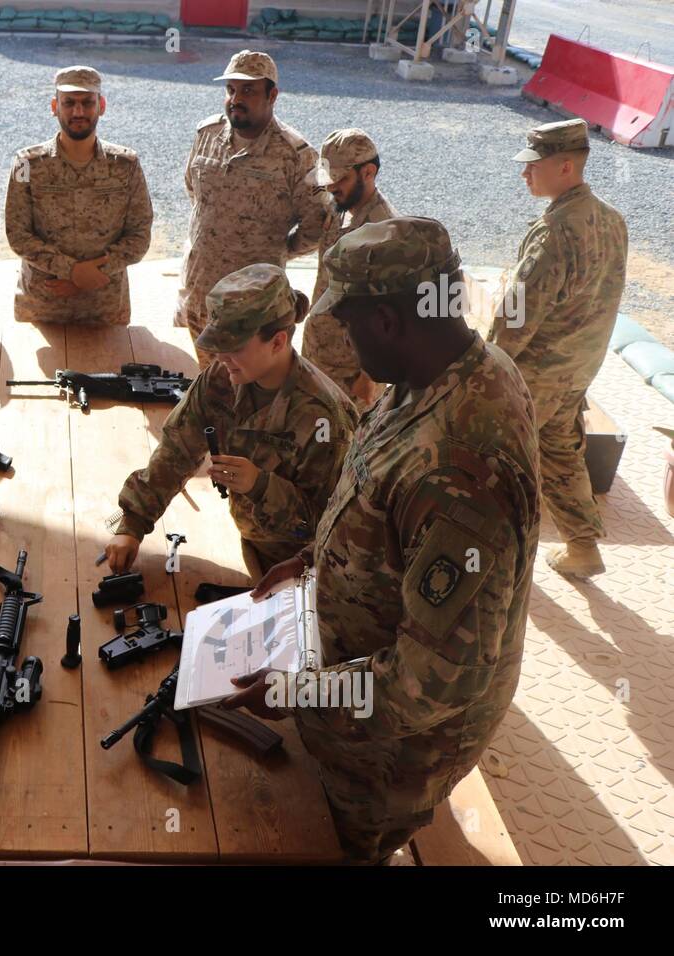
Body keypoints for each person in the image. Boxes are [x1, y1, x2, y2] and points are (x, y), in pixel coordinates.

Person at [227, 218, 540, 864]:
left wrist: (295, 693)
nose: (341, 338)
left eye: (349, 324)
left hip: (399, 742)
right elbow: (378, 501)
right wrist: (311, 561)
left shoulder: (460, 465)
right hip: (359, 675)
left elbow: (431, 684)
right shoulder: (441, 373)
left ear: (391, 321)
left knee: (336, 843)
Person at [107, 264, 356, 582]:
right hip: (251, 546)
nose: (220, 356)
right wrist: (133, 524)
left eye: (234, 347)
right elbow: (177, 450)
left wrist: (261, 486)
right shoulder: (223, 377)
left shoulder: (323, 417)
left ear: (277, 342)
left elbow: (335, 525)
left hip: (306, 572)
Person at [490, 118, 628, 579]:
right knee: (560, 451)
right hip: (579, 365)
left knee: (494, 461)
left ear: (565, 166)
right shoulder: (611, 221)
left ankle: (493, 557)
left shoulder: (554, 233)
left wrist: (483, 366)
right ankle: (583, 545)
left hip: (535, 373)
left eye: (534, 166)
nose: (524, 174)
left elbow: (516, 316)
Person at [176, 50, 327, 361]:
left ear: (272, 95)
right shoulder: (207, 135)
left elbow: (316, 223)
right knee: (199, 390)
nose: (236, 98)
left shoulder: (295, 155)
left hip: (252, 306)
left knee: (247, 393)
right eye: (231, 90)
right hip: (198, 293)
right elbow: (194, 190)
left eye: (248, 90)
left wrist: (279, 249)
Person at [5, 65, 152, 325]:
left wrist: (89, 277)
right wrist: (73, 271)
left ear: (102, 105)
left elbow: (139, 235)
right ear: (54, 106)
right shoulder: (27, 163)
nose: (78, 112)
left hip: (104, 308)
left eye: (87, 102)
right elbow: (18, 235)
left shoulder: (125, 165)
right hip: (42, 307)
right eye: (69, 102)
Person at [301, 128, 398, 408]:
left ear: (368, 172)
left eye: (340, 179)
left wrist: (371, 377)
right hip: (319, 357)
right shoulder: (340, 207)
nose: (331, 187)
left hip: (351, 376)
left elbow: (390, 311)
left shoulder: (383, 231)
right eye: (328, 179)